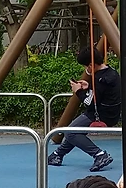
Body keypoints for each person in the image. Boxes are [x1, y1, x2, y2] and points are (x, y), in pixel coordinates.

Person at [47, 44, 119, 173]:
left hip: (100, 115)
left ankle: (99, 154)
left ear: (91, 65)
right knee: (72, 130)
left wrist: (78, 91)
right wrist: (88, 86)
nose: (86, 69)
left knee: (71, 132)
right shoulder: (111, 72)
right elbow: (102, 94)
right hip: (111, 112)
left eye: (86, 67)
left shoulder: (99, 80)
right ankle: (57, 155)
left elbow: (90, 102)